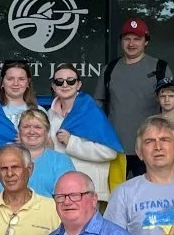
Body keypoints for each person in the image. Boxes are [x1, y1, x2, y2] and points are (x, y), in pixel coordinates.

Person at [101, 17, 174, 168]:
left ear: (146, 41)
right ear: (121, 41)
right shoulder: (110, 69)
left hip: (151, 147)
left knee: (153, 190)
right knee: (116, 191)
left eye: (137, 39)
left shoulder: (159, 68)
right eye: (127, 39)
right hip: (115, 148)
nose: (131, 43)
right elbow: (98, 102)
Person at [43, 64, 123, 198]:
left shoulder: (91, 112)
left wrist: (71, 142)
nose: (65, 85)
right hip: (59, 189)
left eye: (70, 81)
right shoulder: (49, 115)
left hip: (89, 191)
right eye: (59, 81)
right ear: (54, 86)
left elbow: (110, 152)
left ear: (79, 84)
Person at [9, 108, 76, 196]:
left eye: (38, 127)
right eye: (26, 127)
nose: (31, 131)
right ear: (19, 130)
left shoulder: (62, 161)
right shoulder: (5, 159)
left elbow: (67, 196)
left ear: (47, 131)